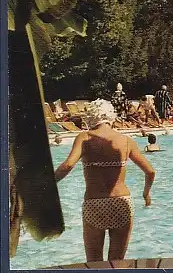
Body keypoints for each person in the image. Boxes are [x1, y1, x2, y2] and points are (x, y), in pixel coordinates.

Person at [54, 99, 156, 262]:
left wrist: (48, 186)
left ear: (90, 117)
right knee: (116, 262)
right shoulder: (126, 141)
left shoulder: (84, 138)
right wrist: (146, 194)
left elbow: (67, 165)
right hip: (122, 202)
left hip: (95, 203)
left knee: (94, 263)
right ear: (111, 117)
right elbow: (150, 171)